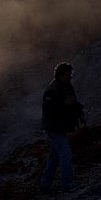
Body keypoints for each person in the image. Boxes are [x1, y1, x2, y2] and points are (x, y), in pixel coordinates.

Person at [40, 61, 85, 193]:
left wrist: (79, 111)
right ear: (61, 75)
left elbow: (72, 103)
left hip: (61, 127)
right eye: (68, 74)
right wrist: (65, 105)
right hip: (54, 127)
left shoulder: (66, 87)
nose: (70, 76)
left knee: (54, 157)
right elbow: (49, 111)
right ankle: (67, 184)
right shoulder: (52, 90)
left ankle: (45, 185)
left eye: (71, 74)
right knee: (65, 153)